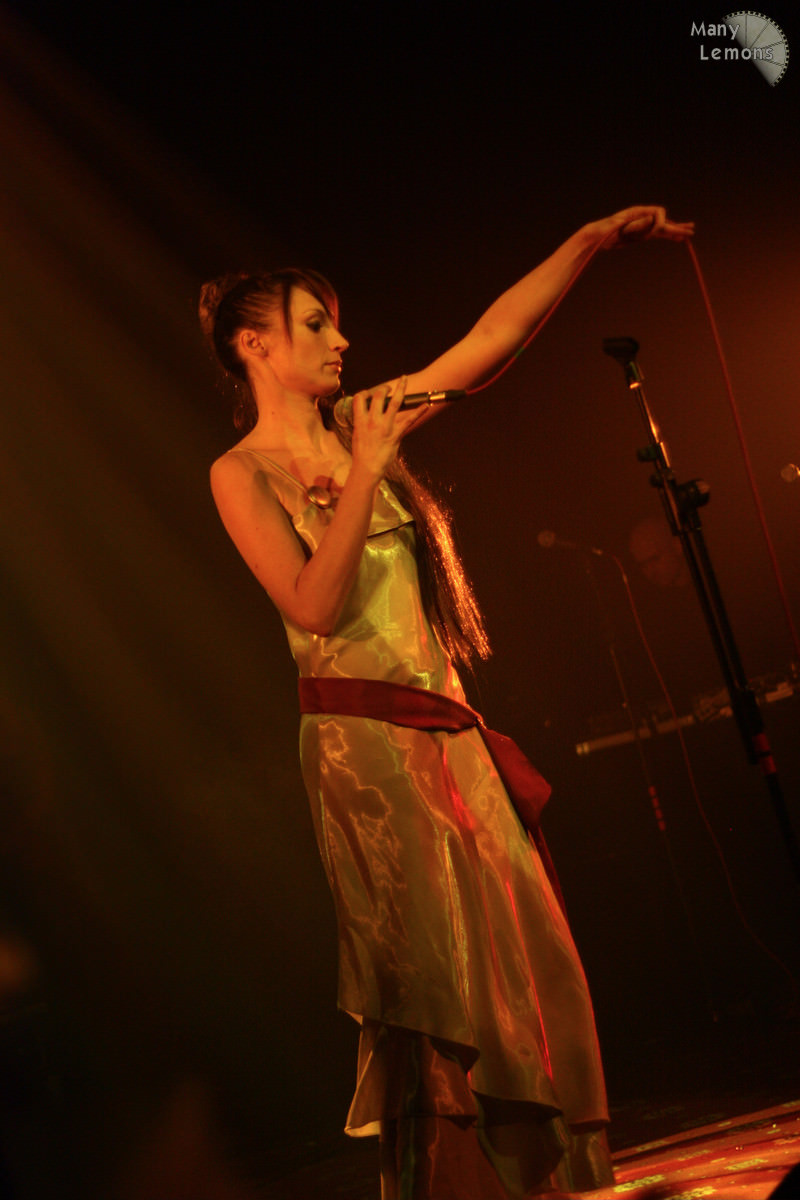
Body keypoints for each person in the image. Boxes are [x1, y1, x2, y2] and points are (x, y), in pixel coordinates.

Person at [200, 206, 694, 1199]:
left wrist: (590, 240)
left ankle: (544, 1178)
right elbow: (312, 604)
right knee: (434, 982)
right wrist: (364, 474)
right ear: (254, 345)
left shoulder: (363, 422)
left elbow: (489, 340)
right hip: (365, 756)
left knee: (520, 962)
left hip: (452, 738)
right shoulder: (240, 472)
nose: (341, 340)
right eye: (314, 323)